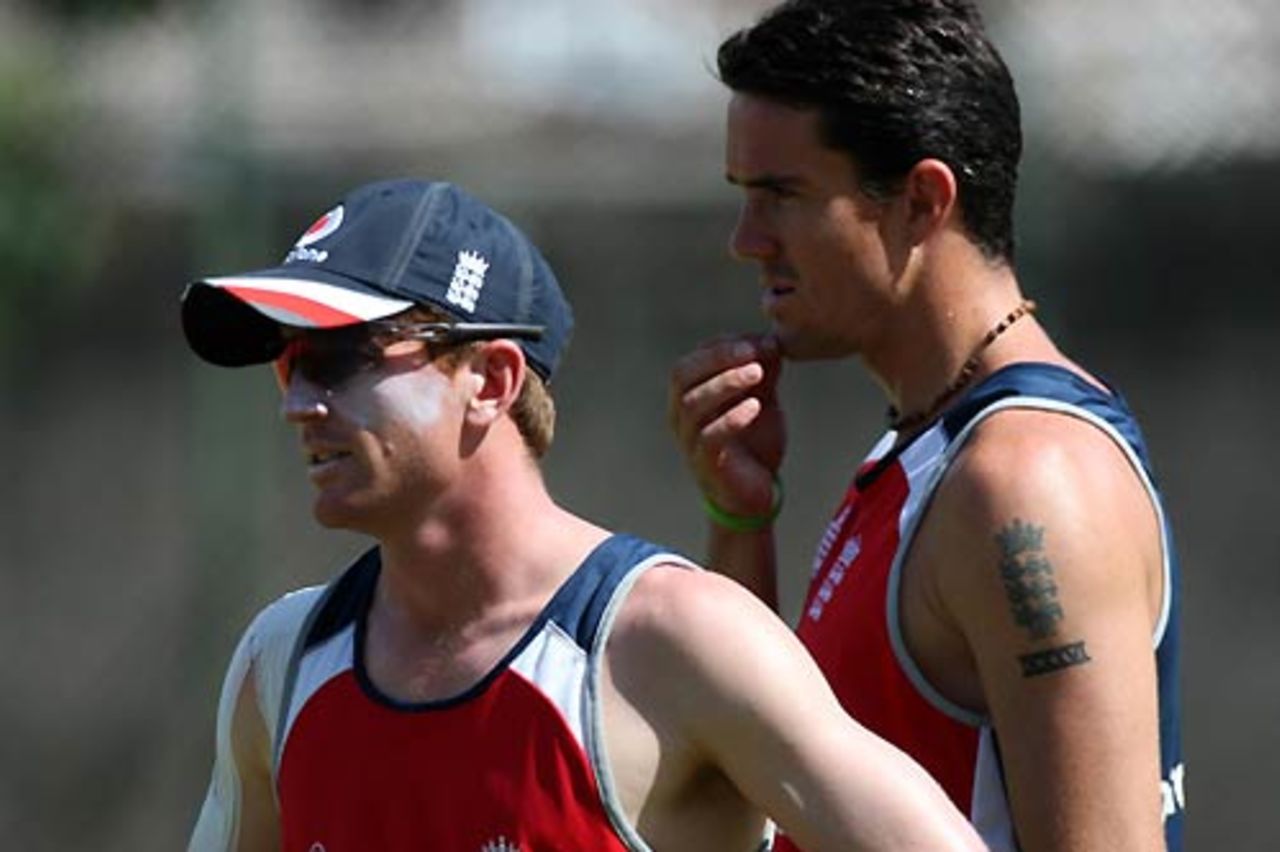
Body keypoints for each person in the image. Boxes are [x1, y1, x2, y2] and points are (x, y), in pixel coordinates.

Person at [181, 178, 985, 851]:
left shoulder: (674, 637)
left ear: (490, 381)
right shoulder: (281, 664)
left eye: (333, 358)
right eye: (286, 364)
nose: (296, 403)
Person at [667, 2, 1184, 851]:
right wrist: (741, 522)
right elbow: (757, 781)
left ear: (921, 201)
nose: (745, 241)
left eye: (782, 197)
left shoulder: (1025, 480)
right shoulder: (928, 447)